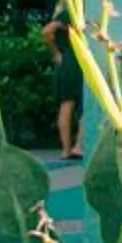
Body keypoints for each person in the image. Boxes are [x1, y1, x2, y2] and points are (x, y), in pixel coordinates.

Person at [43, 11, 83, 159]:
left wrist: (57, 54)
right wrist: (56, 53)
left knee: (67, 104)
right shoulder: (70, 13)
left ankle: (67, 149)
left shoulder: (64, 14)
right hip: (75, 61)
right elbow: (47, 31)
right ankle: (77, 146)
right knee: (77, 104)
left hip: (66, 61)